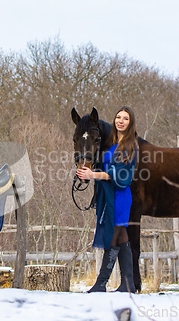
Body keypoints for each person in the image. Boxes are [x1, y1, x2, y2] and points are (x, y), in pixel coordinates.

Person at [76, 106, 138, 293]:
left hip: (120, 196)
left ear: (130, 122)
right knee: (121, 237)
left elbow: (118, 174)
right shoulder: (110, 144)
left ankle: (101, 284)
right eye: (118, 117)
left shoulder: (130, 145)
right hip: (109, 196)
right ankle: (128, 285)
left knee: (113, 237)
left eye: (125, 118)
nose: (120, 121)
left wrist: (94, 175)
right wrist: (88, 173)